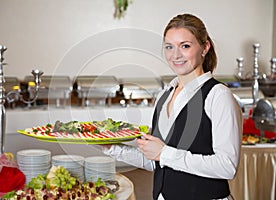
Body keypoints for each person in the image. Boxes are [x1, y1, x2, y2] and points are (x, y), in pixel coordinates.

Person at [102, 13, 242, 200]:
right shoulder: (165, 95)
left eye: (185, 46)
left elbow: (227, 166)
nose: (175, 55)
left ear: (205, 47)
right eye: (169, 47)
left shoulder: (218, 96)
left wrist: (164, 153)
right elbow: (157, 161)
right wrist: (110, 147)